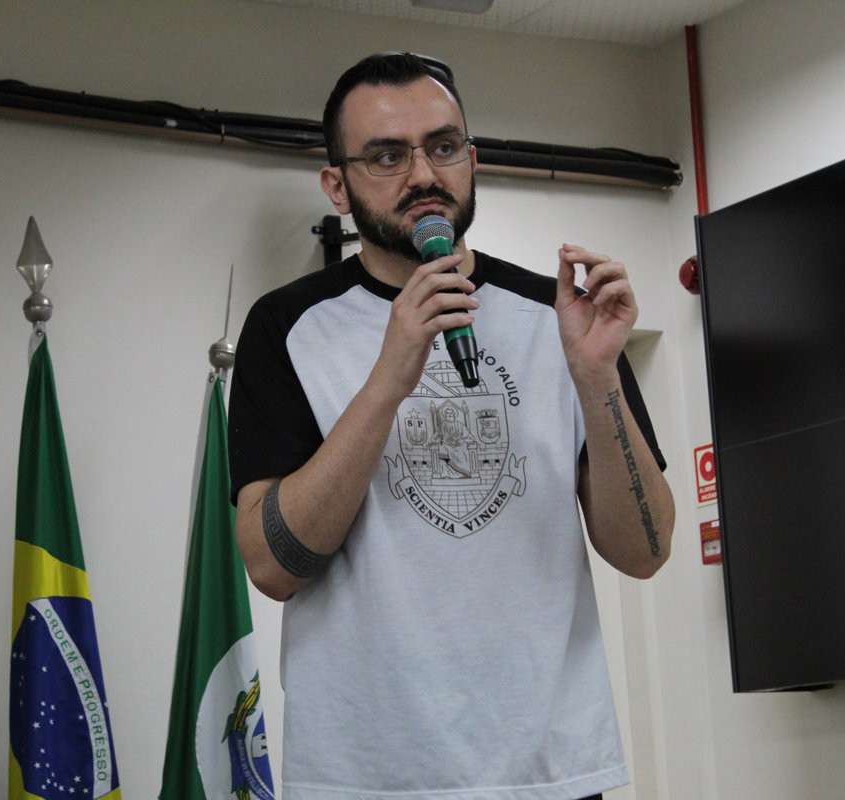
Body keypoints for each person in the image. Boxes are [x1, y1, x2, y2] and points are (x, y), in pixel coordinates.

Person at [228, 51, 675, 800]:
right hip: (366, 779)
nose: (423, 176)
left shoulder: (560, 318)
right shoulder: (287, 327)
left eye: (441, 148)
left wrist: (596, 377)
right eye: (386, 156)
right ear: (337, 185)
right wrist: (389, 379)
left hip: (550, 773)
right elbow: (273, 566)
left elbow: (647, 551)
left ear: (472, 160)